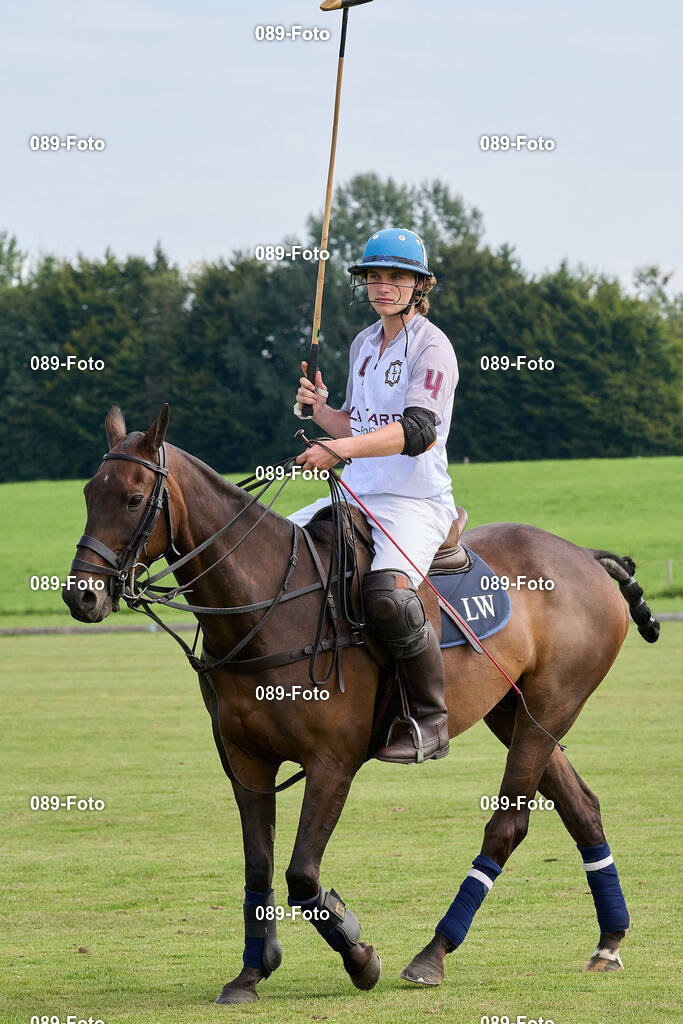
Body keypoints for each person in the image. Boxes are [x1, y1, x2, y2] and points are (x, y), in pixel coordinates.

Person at [290, 228, 459, 763]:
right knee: (278, 549)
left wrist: (339, 448)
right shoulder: (363, 343)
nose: (384, 286)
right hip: (359, 494)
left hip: (415, 501)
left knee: (387, 592)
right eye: (375, 277)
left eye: (397, 277)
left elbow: (416, 431)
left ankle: (430, 721)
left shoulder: (433, 346)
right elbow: (358, 421)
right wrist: (321, 411)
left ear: (419, 285)